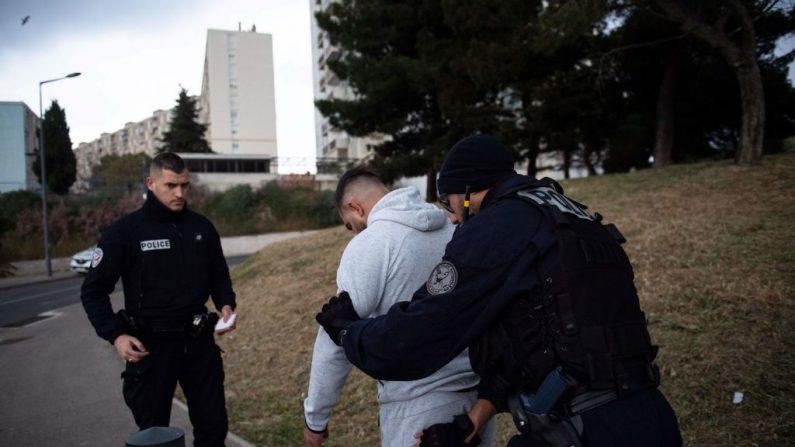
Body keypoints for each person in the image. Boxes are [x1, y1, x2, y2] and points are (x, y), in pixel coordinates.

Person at [316, 135, 683, 446]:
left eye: (451, 203)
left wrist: (348, 331)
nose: (453, 218)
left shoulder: (499, 226)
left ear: (471, 189)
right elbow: (547, 336)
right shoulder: (564, 211)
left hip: (588, 429)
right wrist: (474, 419)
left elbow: (424, 330)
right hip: (648, 414)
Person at [304, 167, 496, 447]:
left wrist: (315, 418)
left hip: (417, 409)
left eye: (349, 225)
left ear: (355, 207)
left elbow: (334, 339)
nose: (353, 232)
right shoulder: (453, 225)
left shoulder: (370, 244)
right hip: (478, 408)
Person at [80, 152, 237, 447]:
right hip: (150, 347)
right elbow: (93, 291)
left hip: (198, 341)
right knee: (154, 437)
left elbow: (219, 274)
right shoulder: (125, 232)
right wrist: (116, 335)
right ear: (151, 183)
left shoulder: (201, 228)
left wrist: (226, 303)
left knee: (214, 429)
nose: (180, 193)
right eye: (170, 186)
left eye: (185, 185)